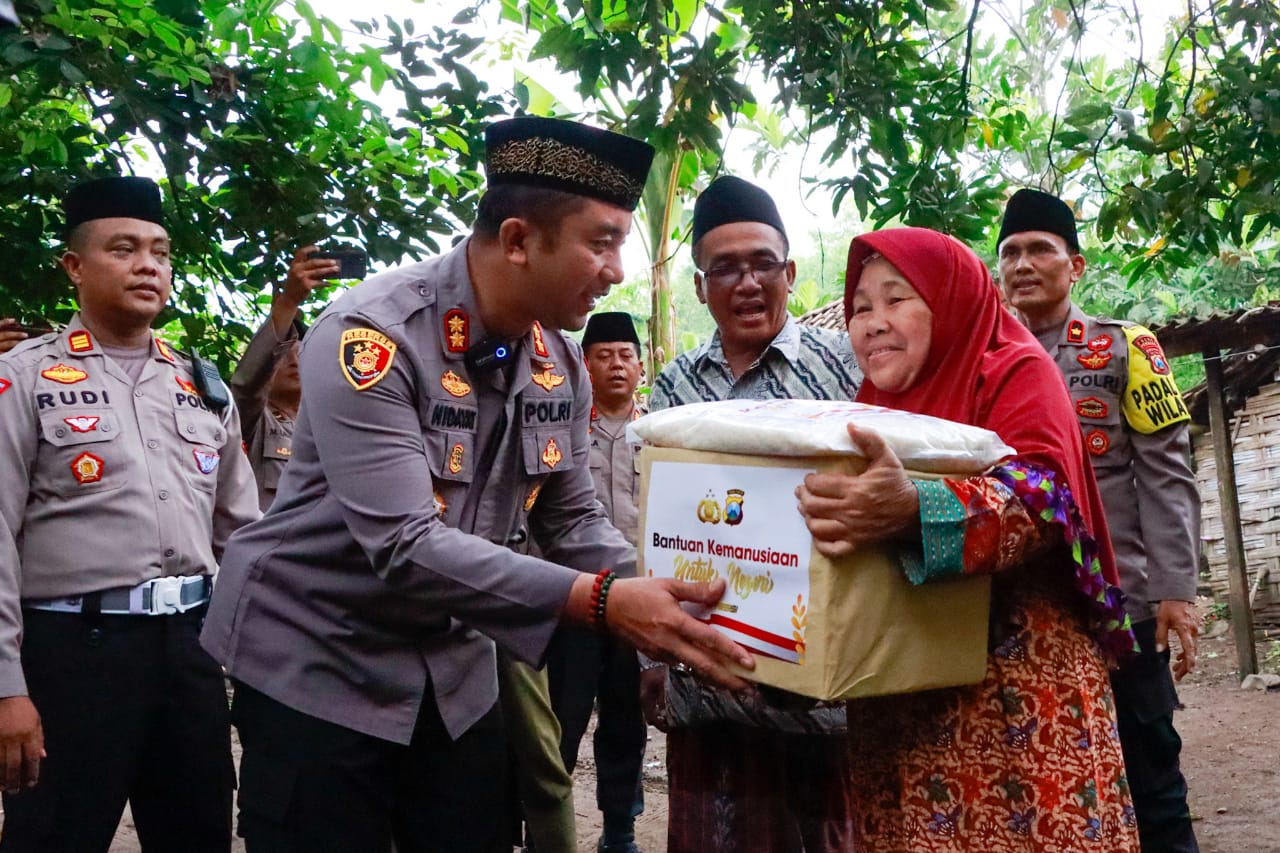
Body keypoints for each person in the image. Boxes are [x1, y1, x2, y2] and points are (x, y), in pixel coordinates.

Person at [199, 115, 755, 853]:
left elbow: (573, 520)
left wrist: (683, 600)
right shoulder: (373, 337)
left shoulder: (557, 359)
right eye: (601, 242)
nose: (616, 269)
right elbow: (404, 544)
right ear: (519, 240)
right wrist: (606, 602)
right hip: (323, 665)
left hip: (455, 675)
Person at [796, 226, 1140, 850]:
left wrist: (913, 509)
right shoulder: (865, 411)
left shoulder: (1014, 372)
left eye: (897, 298)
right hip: (901, 704)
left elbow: (1039, 498)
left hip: (1018, 703)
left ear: (949, 298)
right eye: (860, 307)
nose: (872, 322)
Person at [0, 175, 259, 852]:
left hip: (189, 648)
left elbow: (246, 536)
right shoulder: (22, 379)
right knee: (55, 836)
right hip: (71, 655)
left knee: (199, 832)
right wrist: (5, 689)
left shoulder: (202, 388)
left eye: (161, 251)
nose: (149, 265)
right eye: (125, 248)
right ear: (75, 266)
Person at [647, 175, 863, 853]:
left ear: (789, 271)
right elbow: (658, 528)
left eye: (762, 263)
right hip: (710, 691)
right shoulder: (675, 388)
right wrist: (647, 660)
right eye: (726, 267)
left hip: (829, 695)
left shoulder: (847, 367)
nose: (747, 282)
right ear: (701, 283)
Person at [996, 188, 1201, 852]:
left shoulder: (1126, 348)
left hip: (1126, 606)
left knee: (1153, 784)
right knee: (1051, 791)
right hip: (1028, 615)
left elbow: (1165, 474)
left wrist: (1176, 590)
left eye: (1039, 249)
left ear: (1075, 265)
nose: (1022, 264)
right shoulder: (985, 362)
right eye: (1010, 252)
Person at [545, 311, 648, 853]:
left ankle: (620, 829)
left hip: (637, 600)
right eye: (603, 355)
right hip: (575, 601)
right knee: (560, 717)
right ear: (584, 365)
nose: (615, 365)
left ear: (640, 364)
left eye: (624, 355)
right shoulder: (561, 434)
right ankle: (546, 824)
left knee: (626, 719)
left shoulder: (659, 432)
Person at [230, 246, 338, 511]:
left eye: (300, 353)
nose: (293, 360)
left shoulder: (329, 426)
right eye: (283, 355)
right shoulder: (253, 422)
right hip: (268, 549)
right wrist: (289, 302)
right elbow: (247, 385)